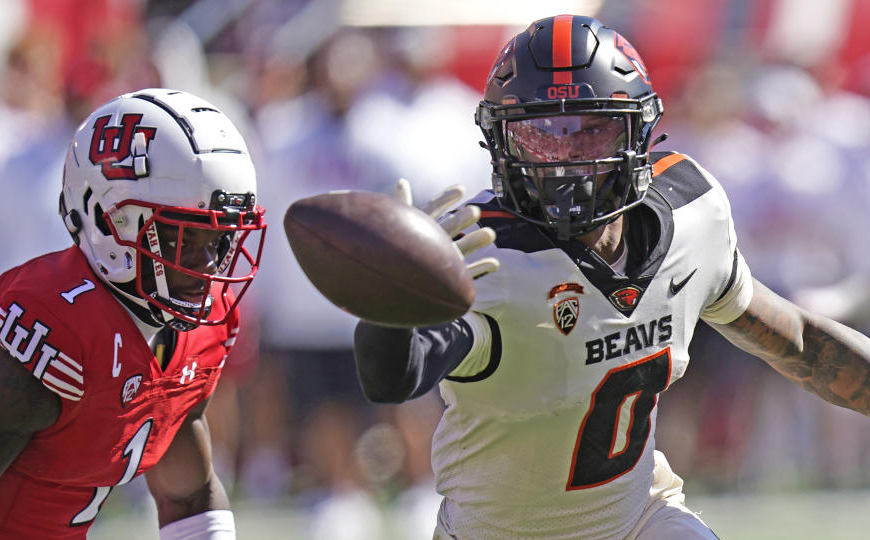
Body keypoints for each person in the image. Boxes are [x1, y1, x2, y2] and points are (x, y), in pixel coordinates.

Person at [352, 15, 870, 540]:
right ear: (500, 141)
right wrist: (390, 305)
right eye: (540, 134)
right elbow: (393, 377)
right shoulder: (485, 254)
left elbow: (801, 343)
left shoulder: (691, 214)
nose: (565, 159)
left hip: (640, 519)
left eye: (589, 131)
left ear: (639, 131)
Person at [0, 88, 266, 539]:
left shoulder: (193, 331)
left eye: (219, 241)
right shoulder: (52, 328)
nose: (209, 266)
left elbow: (188, 497)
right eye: (185, 239)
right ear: (107, 221)